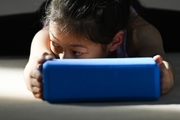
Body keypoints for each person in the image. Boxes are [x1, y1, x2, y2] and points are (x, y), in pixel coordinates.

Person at [23, 0, 174, 99]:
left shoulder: (141, 33)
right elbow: (35, 59)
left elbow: (157, 59)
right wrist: (34, 71)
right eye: (56, 46)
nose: (63, 59)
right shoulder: (52, 30)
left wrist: (163, 73)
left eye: (76, 52)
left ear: (116, 41)